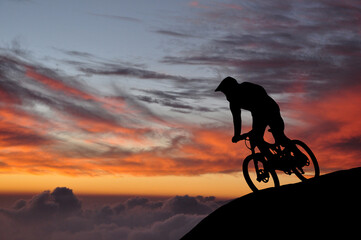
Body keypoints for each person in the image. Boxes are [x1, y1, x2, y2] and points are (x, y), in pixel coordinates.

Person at [215, 76, 306, 166]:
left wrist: (240, 135)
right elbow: (237, 119)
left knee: (278, 137)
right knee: (258, 137)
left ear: (232, 87)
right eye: (224, 92)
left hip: (270, 109)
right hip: (259, 114)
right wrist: (237, 135)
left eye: (225, 91)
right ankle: (274, 161)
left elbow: (261, 93)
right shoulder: (233, 103)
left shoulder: (245, 87)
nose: (226, 94)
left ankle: (299, 156)